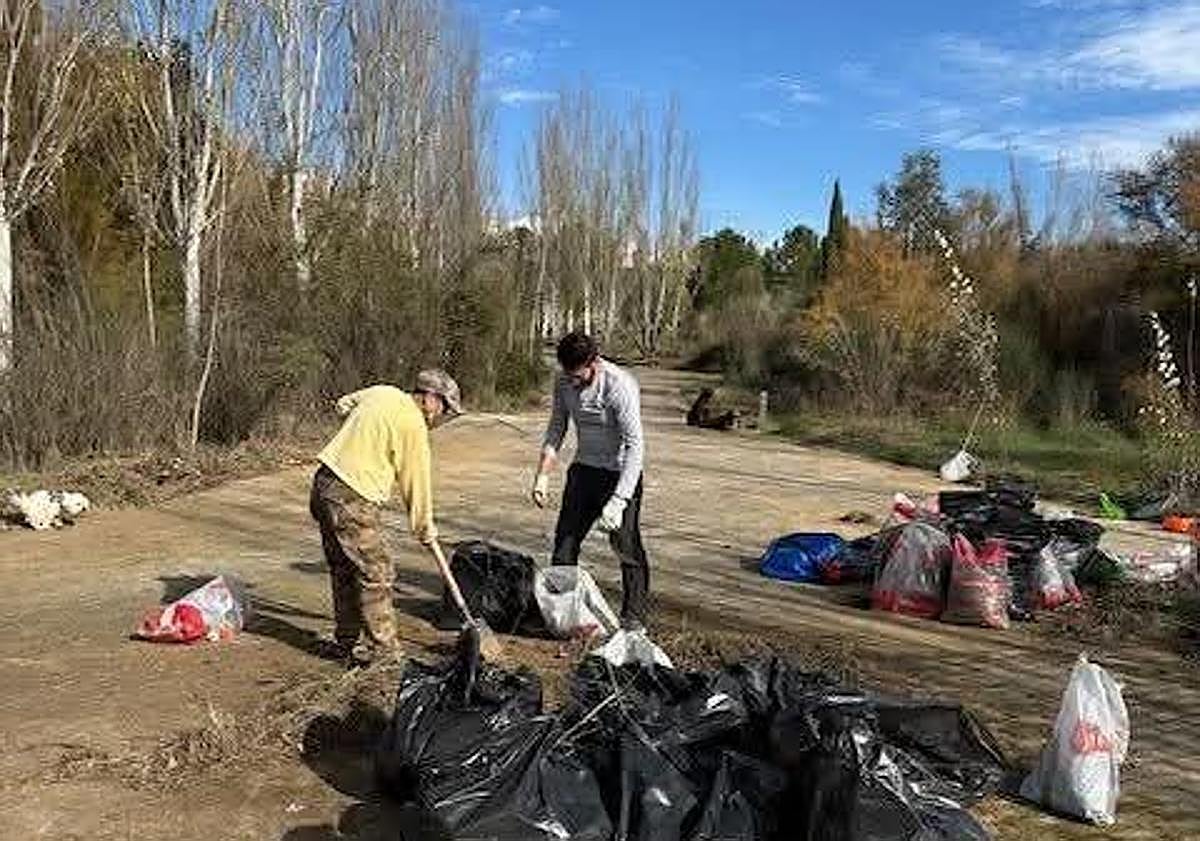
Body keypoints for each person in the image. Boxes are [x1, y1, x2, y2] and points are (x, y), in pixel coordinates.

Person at [309, 369, 477, 664]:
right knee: (377, 573)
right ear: (430, 398)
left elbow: (343, 404)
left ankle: (346, 641)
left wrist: (365, 434)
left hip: (324, 484)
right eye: (445, 409)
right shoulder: (413, 426)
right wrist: (425, 528)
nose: (441, 417)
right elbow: (416, 484)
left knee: (345, 569)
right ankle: (384, 652)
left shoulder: (383, 392)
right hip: (353, 497)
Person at [531, 332, 650, 629]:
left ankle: (634, 617)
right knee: (564, 545)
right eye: (568, 375)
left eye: (579, 375)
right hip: (584, 470)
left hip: (619, 473)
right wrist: (542, 475)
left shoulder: (619, 385)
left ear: (594, 362)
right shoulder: (564, 383)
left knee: (627, 548)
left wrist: (619, 500)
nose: (573, 381)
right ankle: (565, 614)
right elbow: (557, 427)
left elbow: (635, 445)